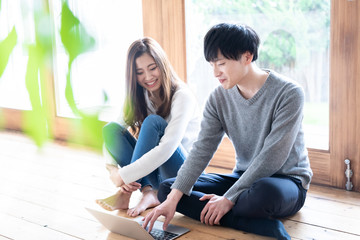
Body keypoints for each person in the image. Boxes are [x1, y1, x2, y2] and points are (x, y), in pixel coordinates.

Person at [143, 23, 313, 240]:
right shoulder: (218, 98)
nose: (215, 73)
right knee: (169, 190)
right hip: (243, 178)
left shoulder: (289, 93)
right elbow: (202, 149)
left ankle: (230, 208)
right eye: (212, 64)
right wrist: (174, 199)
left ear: (247, 57)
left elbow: (273, 157)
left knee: (262, 192)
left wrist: (229, 197)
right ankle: (259, 225)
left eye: (221, 63)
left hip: (286, 182)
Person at [96, 37, 201, 217]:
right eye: (140, 72)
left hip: (183, 174)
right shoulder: (141, 96)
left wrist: (125, 176)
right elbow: (110, 136)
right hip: (154, 173)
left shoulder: (183, 97)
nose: (148, 77)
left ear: (163, 65)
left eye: (152, 68)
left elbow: (167, 149)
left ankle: (125, 193)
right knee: (111, 129)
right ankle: (148, 191)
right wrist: (113, 170)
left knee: (153, 123)